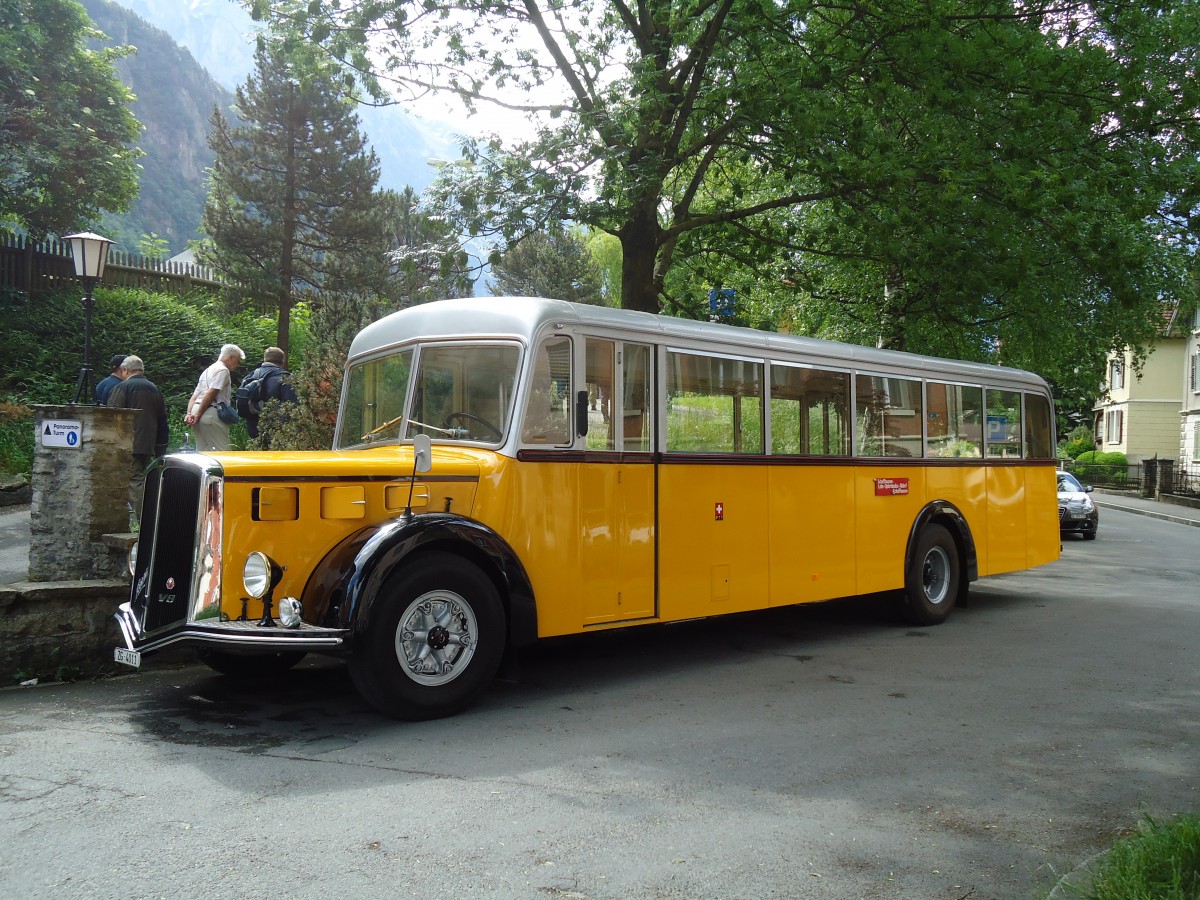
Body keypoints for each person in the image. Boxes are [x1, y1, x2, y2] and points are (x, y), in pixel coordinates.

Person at [107, 355, 168, 527]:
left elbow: (112, 415)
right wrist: (161, 446)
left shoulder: (123, 387)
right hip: (149, 443)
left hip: (129, 442)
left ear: (125, 370)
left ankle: (145, 522)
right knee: (143, 479)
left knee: (135, 481)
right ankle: (150, 518)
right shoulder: (154, 389)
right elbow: (162, 419)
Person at [185, 343, 244, 451]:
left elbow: (195, 396)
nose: (238, 365)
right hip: (210, 412)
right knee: (223, 452)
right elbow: (212, 392)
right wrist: (198, 414)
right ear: (231, 358)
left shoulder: (207, 370)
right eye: (238, 361)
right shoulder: (223, 370)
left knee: (203, 451)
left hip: (196, 409)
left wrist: (189, 414)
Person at [239, 346, 299, 447]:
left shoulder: (250, 376)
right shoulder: (285, 378)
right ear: (282, 361)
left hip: (253, 428)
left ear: (265, 359)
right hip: (277, 431)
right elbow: (292, 407)